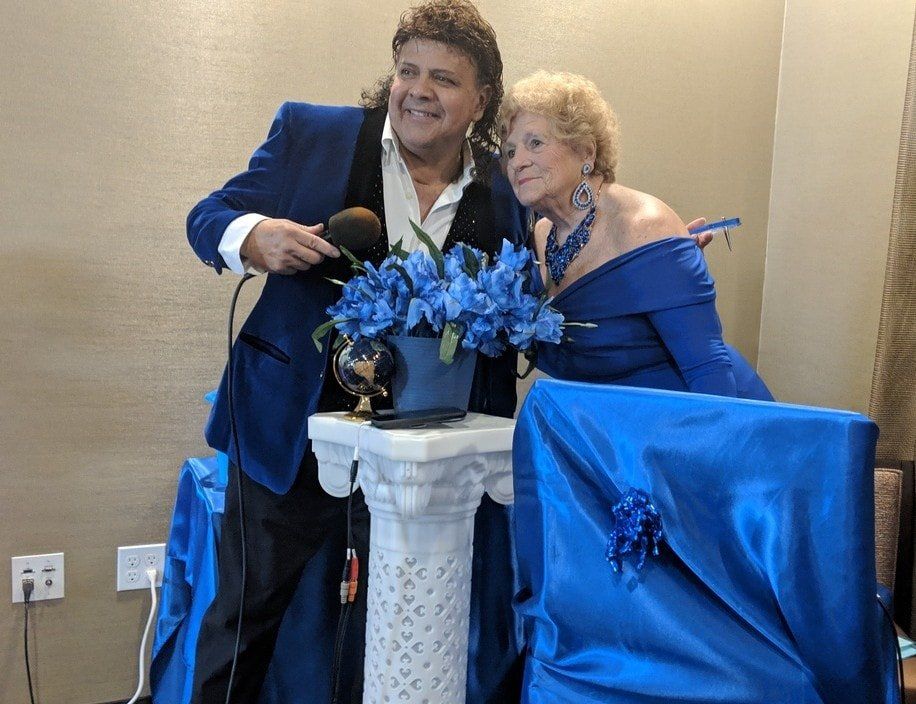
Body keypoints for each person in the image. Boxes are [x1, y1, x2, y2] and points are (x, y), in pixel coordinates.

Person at [185, 2, 526, 702]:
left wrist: (652, 250)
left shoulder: (504, 184)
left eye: (443, 78)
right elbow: (208, 217)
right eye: (407, 71)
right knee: (243, 621)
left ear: (481, 99)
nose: (418, 91)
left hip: (431, 459)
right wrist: (254, 238)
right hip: (290, 432)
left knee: (403, 626)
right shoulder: (314, 133)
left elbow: (557, 252)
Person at [500, 71, 773, 400]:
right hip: (607, 423)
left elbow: (709, 373)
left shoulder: (645, 227)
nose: (517, 162)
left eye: (535, 143)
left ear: (586, 152)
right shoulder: (541, 236)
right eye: (510, 151)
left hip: (690, 419)